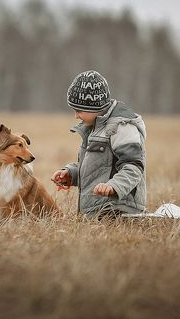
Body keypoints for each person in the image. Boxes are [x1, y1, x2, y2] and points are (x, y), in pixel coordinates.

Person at [51, 70, 147, 217]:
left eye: (79, 110)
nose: (76, 116)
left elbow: (134, 167)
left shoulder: (121, 127)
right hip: (101, 211)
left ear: (94, 107)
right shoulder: (95, 126)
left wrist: (113, 186)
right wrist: (71, 174)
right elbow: (97, 168)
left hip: (120, 211)